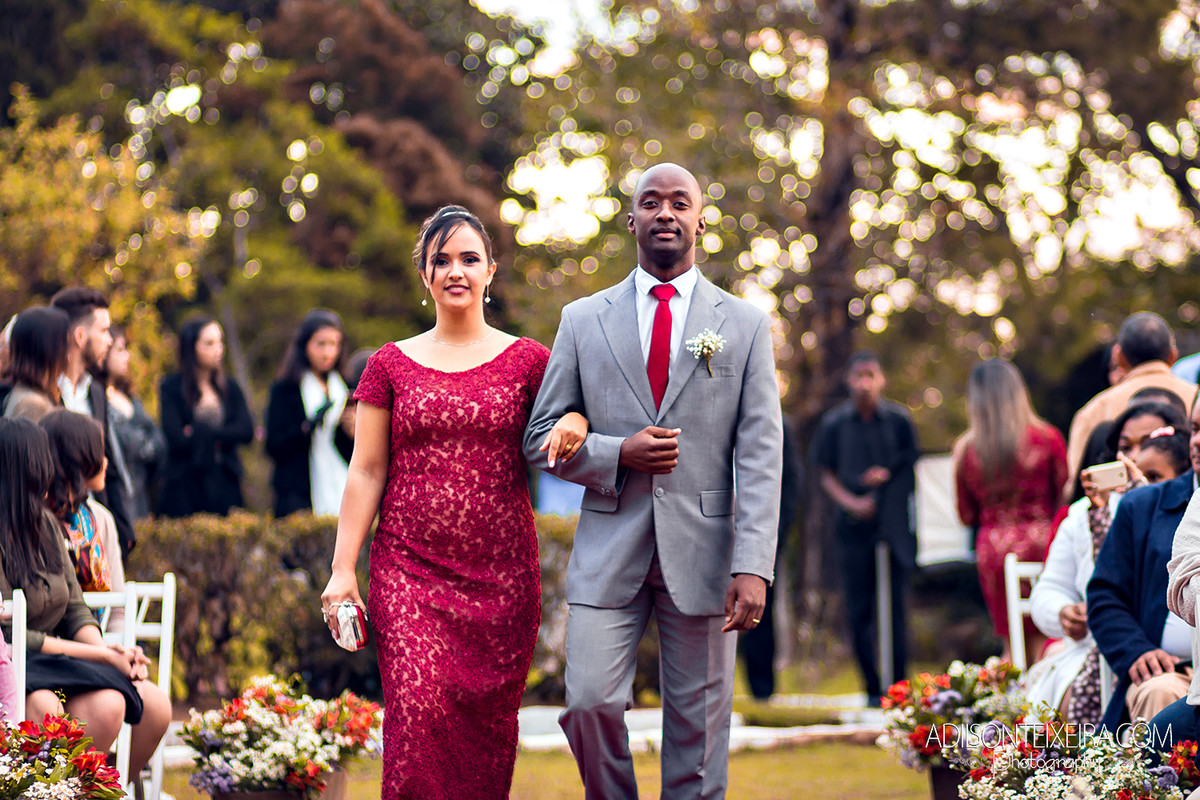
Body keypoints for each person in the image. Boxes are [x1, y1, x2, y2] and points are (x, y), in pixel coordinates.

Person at [523, 163, 783, 800]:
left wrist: (753, 564)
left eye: (680, 202)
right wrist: (617, 454)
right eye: (651, 201)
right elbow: (540, 438)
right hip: (609, 548)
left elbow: (759, 454)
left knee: (697, 734)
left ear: (701, 220)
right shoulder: (583, 319)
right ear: (631, 219)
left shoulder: (744, 325)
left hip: (707, 553)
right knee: (588, 702)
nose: (665, 212)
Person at [320, 205, 588, 798]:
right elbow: (365, 470)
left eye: (469, 258)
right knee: (415, 728)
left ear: (491, 270)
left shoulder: (530, 361)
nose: (455, 271)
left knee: (485, 744)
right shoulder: (389, 365)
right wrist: (343, 570)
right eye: (441, 260)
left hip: (501, 582)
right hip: (409, 574)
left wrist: (573, 416)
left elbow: (569, 414)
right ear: (425, 275)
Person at [0, 417, 170, 782]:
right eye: (42, 461)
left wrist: (114, 654)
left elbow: (76, 609)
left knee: (151, 705)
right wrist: (102, 655)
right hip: (17, 667)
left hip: (57, 664)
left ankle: (95, 790)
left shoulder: (44, 525)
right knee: (48, 707)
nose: (51, 470)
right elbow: (11, 634)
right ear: (23, 471)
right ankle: (53, 789)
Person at [1027, 402, 1187, 724]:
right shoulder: (1083, 516)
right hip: (1106, 652)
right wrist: (1063, 613)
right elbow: (1051, 590)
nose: (1135, 458)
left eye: (1150, 442)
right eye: (1125, 447)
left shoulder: (1182, 512)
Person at [811, 352, 918, 707]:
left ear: (882, 379)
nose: (864, 383)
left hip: (893, 528)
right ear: (849, 380)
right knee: (859, 611)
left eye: (871, 374)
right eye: (858, 375)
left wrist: (886, 481)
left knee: (895, 609)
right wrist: (852, 502)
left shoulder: (900, 421)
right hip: (852, 528)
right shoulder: (834, 424)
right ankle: (873, 689)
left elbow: (911, 468)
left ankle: (899, 690)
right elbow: (824, 472)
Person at [1089, 391, 1200, 730]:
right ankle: (1162, 785)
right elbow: (1105, 597)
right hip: (1170, 674)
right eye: (1195, 429)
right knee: (1160, 693)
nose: (1198, 441)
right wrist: (1136, 651)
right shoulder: (1143, 505)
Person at [954, 359, 1068, 663]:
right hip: (1044, 542)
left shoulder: (967, 450)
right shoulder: (1048, 438)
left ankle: (1011, 706)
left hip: (995, 549)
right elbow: (1064, 495)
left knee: (1012, 644)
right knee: (1048, 637)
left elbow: (966, 515)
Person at [1066, 312, 1197, 495]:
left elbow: (1079, 484)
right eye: (1126, 448)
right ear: (1173, 356)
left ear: (1118, 357)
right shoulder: (1196, 398)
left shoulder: (1094, 411)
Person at [50, 287, 135, 561]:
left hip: (99, 537)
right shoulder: (46, 392)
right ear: (79, 336)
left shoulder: (96, 393)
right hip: (58, 541)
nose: (110, 341)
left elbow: (108, 464)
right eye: (104, 331)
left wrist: (123, 529)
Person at [39, 409, 127, 633]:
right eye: (99, 452)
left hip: (101, 647)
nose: (106, 462)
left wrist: (116, 651)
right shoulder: (37, 519)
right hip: (50, 652)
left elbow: (118, 610)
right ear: (77, 457)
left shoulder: (101, 519)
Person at [157, 316, 254, 518]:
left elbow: (246, 430)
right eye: (209, 343)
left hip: (225, 481)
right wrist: (224, 434)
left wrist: (201, 432)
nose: (218, 349)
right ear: (192, 347)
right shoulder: (172, 387)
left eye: (220, 342)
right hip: (186, 486)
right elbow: (175, 436)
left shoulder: (229, 387)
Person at [739, 415, 803, 701]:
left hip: (762, 533)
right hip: (710, 530)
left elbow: (791, 481)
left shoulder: (778, 423)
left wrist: (774, 530)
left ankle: (762, 690)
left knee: (759, 611)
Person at [265, 310, 352, 517]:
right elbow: (274, 445)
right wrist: (307, 427)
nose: (328, 352)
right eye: (321, 344)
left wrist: (351, 429)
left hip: (343, 486)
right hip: (299, 493)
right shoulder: (286, 390)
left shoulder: (345, 387)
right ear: (304, 345)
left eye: (334, 345)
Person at [98, 326, 165, 521]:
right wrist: (144, 442)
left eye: (126, 349)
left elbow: (159, 439)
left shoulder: (131, 398)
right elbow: (128, 442)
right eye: (120, 350)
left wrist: (145, 445)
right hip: (118, 497)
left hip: (142, 493)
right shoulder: (98, 399)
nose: (126, 356)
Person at [2, 306, 71, 421]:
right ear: (48, 350)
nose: (69, 354)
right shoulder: (32, 405)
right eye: (65, 344)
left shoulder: (31, 394)